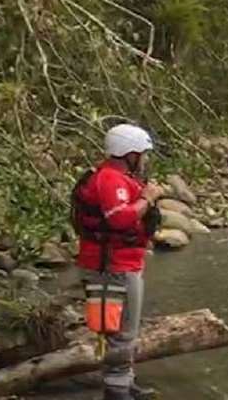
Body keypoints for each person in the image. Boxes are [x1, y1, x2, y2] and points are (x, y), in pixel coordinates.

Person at [73, 124, 164, 400]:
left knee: (123, 327)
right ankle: (116, 389)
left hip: (117, 264)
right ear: (129, 154)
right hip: (113, 267)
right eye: (142, 154)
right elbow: (119, 218)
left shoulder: (113, 177)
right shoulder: (111, 179)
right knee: (122, 331)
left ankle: (125, 381)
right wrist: (148, 199)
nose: (144, 160)